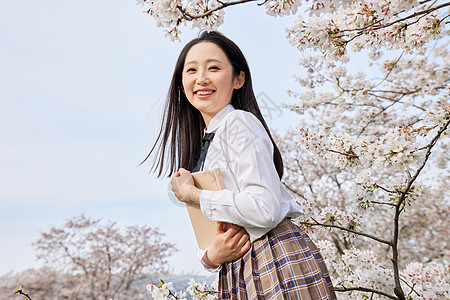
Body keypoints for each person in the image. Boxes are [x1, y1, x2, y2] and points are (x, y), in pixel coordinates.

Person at [146, 30, 336, 299]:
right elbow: (213, 232)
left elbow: (265, 208)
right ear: (181, 82)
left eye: (213, 67)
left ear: (238, 79)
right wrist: (212, 257)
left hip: (271, 255)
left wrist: (195, 195)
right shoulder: (205, 146)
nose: (201, 78)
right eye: (191, 70)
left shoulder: (238, 123)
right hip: (239, 270)